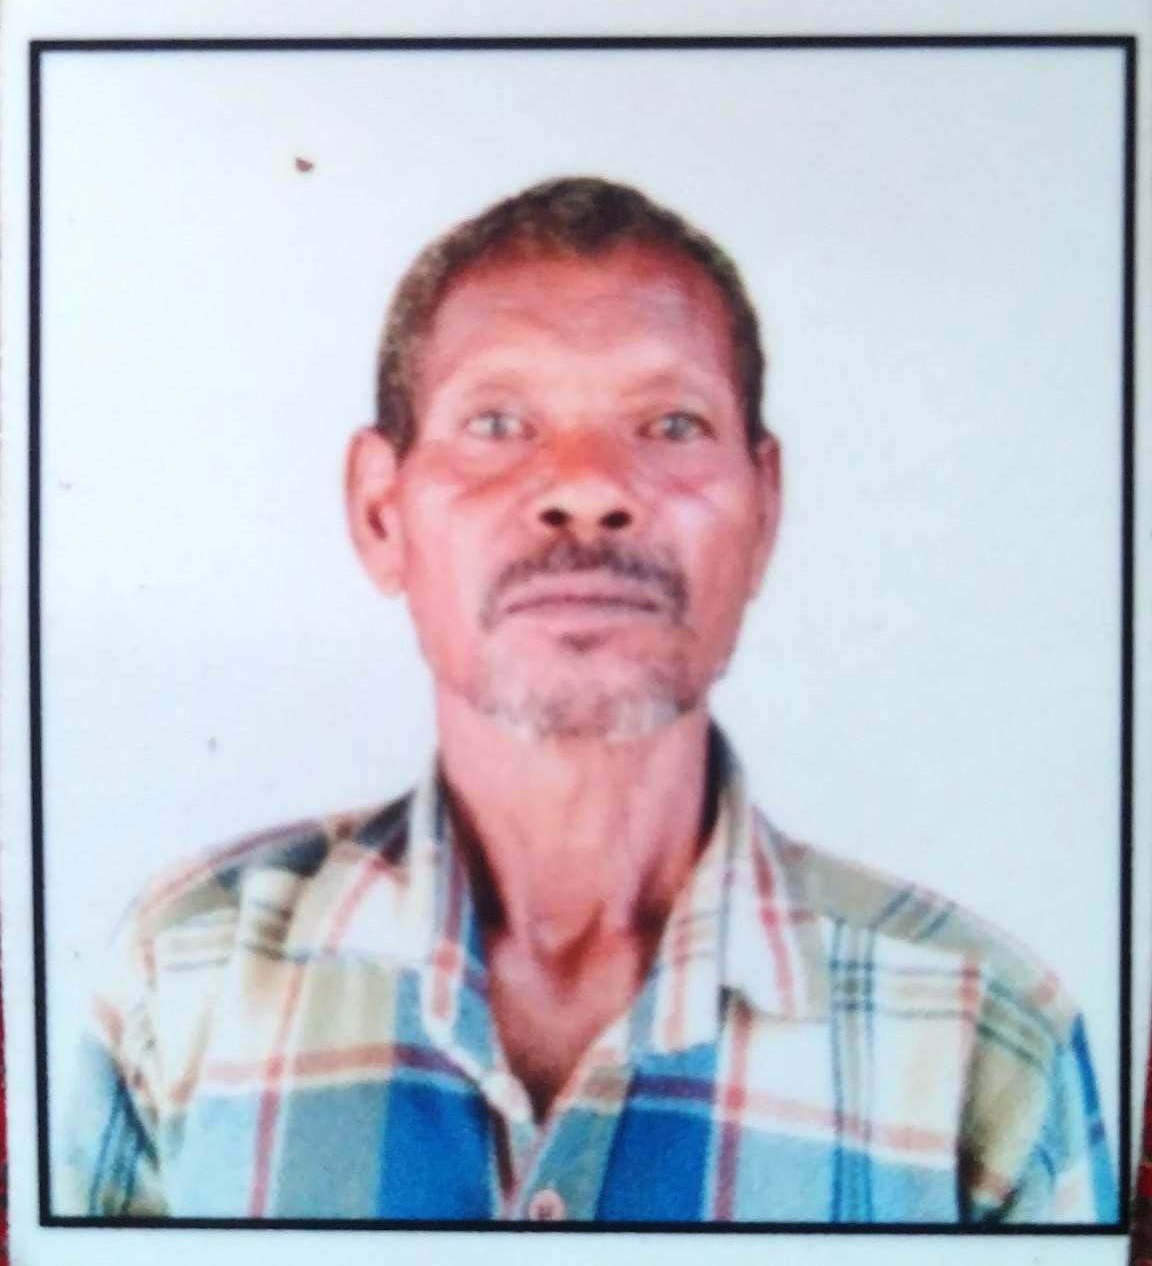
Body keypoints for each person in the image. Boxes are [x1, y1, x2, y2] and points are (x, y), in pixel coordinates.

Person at [61, 177, 1116, 1224]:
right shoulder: (181, 978)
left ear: (764, 512)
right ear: (382, 514)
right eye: (497, 420)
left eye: (671, 422)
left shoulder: (985, 1040)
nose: (587, 486)